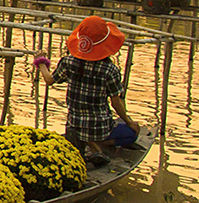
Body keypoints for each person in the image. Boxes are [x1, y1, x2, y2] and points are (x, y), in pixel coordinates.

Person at [33, 15, 139, 166]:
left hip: (74, 124)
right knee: (132, 133)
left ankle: (89, 143)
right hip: (100, 127)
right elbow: (116, 103)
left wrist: (42, 63)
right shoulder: (110, 69)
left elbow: (49, 80)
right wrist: (129, 122)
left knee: (81, 129)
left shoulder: (68, 62)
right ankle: (98, 145)